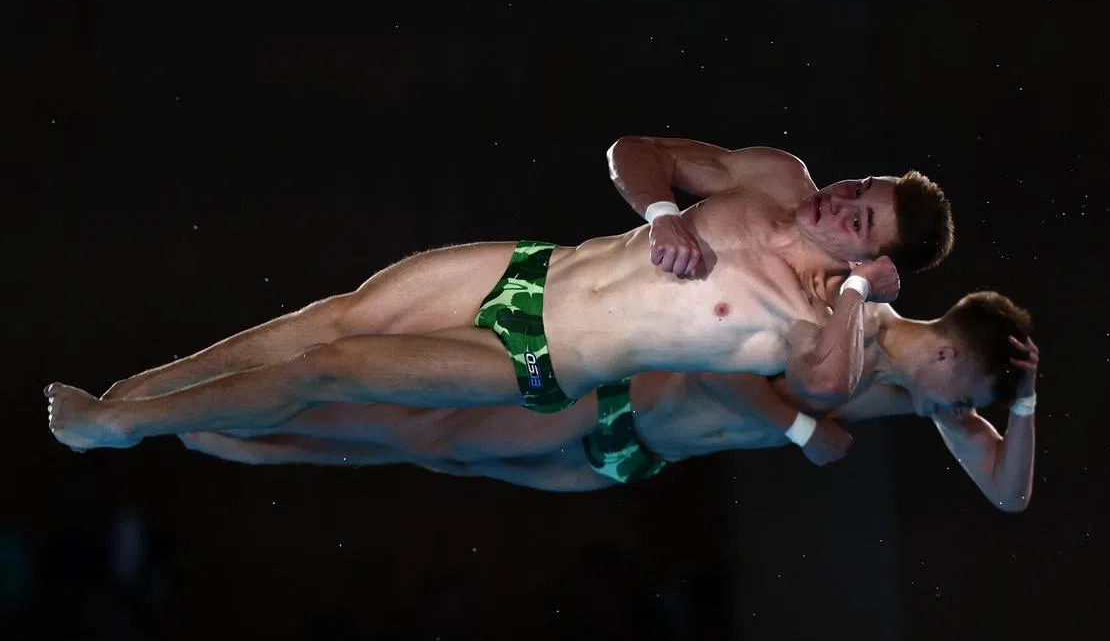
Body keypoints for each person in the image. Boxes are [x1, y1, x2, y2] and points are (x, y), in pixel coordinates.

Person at [46, 138, 952, 448]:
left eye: (860, 222)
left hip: (535, 356)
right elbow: (633, 147)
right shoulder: (773, 175)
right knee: (326, 316)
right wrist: (663, 210)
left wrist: (858, 296)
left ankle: (124, 428)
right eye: (858, 188)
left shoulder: (806, 319)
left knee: (332, 366)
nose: (840, 203)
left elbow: (828, 388)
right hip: (528, 267)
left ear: (876, 261)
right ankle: (136, 394)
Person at [51, 292, 1038, 512]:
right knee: (421, 422)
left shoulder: (923, 397)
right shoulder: (843, 311)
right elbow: (709, 366)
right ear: (946, 347)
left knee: (433, 455)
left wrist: (1024, 408)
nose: (967, 412)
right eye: (976, 390)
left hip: (633, 455)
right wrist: (793, 424)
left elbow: (1005, 492)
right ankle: (138, 415)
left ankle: (259, 443)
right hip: (610, 399)